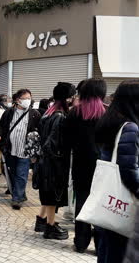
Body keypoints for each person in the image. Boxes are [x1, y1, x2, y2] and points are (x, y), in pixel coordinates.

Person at [95, 80, 139, 263]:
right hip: (123, 201)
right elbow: (128, 169)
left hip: (109, 199)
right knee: (118, 251)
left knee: (107, 248)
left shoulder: (112, 120)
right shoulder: (130, 127)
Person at [64, 79, 107, 253]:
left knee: (81, 202)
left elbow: (66, 140)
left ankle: (81, 242)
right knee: (101, 204)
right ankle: (100, 244)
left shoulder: (74, 113)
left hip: (81, 165)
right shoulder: (109, 113)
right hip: (104, 166)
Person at [35, 82, 76, 240]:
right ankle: (50, 226)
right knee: (52, 194)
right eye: (72, 96)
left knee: (47, 192)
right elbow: (53, 144)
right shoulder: (60, 116)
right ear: (67, 99)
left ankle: (41, 220)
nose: (74, 99)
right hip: (54, 163)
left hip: (45, 161)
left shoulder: (49, 113)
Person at [0, 89, 41, 210]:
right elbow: (2, 126)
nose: (28, 100)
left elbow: (39, 131)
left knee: (21, 174)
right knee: (13, 173)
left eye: (29, 98)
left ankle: (16, 199)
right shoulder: (9, 112)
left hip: (25, 151)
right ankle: (21, 194)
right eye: (25, 98)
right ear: (17, 100)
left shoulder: (34, 114)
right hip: (11, 149)